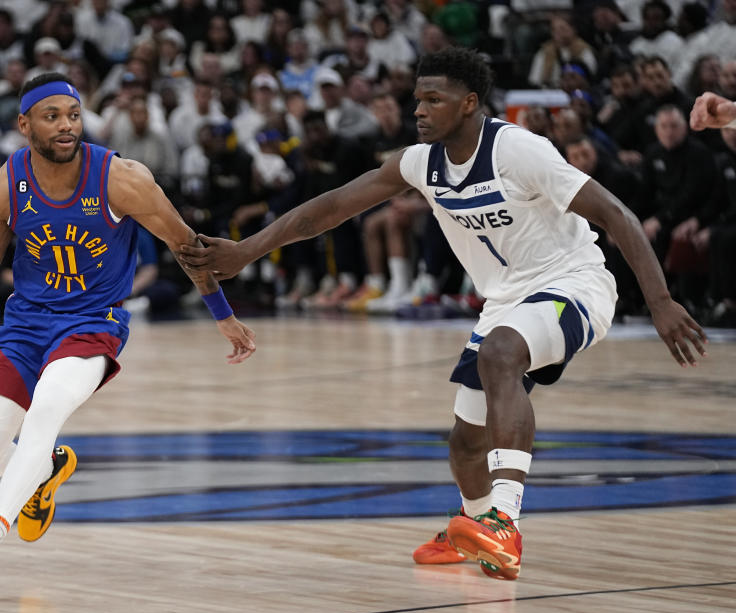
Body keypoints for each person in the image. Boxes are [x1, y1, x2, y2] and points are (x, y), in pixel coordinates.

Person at [178, 48, 706, 580]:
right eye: (417, 101)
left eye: (434, 100)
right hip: (504, 301)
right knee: (464, 444)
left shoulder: (519, 150)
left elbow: (617, 214)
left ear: (470, 103)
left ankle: (505, 523)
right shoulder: (420, 162)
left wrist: (660, 303)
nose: (420, 111)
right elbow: (328, 209)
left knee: (500, 355)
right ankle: (474, 529)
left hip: (574, 284)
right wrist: (246, 251)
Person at [0, 72, 256, 599]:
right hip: (25, 327)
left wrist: (222, 315)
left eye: (73, 114)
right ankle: (45, 471)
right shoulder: (4, 186)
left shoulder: (122, 178)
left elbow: (187, 246)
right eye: (52, 117)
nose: (67, 125)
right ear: (24, 125)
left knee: (47, 409)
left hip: (93, 324)